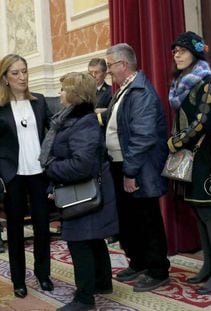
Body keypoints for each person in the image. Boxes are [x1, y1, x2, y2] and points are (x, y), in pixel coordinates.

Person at [40, 72, 119, 310]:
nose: (60, 93)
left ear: (75, 94)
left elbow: (82, 165)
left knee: (79, 241)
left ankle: (85, 299)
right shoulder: (71, 117)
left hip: (83, 191)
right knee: (93, 238)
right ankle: (102, 282)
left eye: (64, 89)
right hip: (83, 191)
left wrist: (51, 167)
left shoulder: (82, 121)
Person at [102, 43, 170, 292]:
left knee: (147, 219)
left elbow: (143, 136)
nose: (108, 70)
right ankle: (139, 262)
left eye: (110, 65)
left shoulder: (140, 92)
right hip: (123, 164)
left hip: (138, 168)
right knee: (130, 220)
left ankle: (158, 270)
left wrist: (130, 172)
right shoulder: (125, 90)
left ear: (123, 64)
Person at [168, 31, 211, 295]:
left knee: (210, 214)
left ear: (195, 53)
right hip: (190, 157)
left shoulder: (206, 81)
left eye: (181, 50)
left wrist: (177, 141)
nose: (176, 54)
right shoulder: (181, 82)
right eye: (174, 51)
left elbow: (204, 121)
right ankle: (207, 266)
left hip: (205, 157)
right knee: (198, 213)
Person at [0, 54, 53, 298]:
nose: (22, 77)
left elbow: (53, 134)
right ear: (5, 79)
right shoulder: (0, 108)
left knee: (43, 226)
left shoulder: (40, 102)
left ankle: (43, 275)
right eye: (15, 73)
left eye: (24, 71)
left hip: (38, 174)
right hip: (13, 176)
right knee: (15, 230)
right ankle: (19, 280)